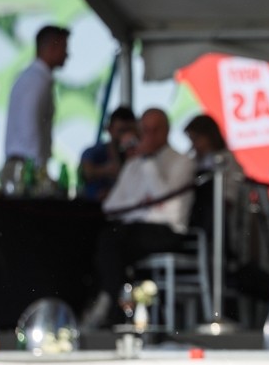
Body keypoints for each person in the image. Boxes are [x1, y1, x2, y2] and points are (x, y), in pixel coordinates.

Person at [80, 108, 196, 328]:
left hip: (167, 231)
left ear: (166, 131)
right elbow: (111, 206)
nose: (149, 136)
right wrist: (142, 205)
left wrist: (148, 162)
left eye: (155, 130)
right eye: (145, 130)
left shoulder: (181, 162)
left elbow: (167, 207)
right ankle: (109, 302)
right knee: (100, 237)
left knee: (113, 240)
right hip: (132, 229)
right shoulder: (133, 165)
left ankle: (110, 305)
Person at [2, 24, 70, 183]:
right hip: (26, 169)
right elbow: (29, 127)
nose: (67, 54)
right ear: (52, 47)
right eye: (64, 48)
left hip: (23, 165)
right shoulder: (37, 81)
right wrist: (39, 173)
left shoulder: (33, 78)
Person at [182, 112, 248, 254]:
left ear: (209, 136)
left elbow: (231, 194)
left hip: (217, 214)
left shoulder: (226, 159)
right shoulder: (192, 161)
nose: (194, 145)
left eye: (197, 139)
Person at [78, 106, 139, 201]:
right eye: (121, 130)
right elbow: (86, 172)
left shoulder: (139, 154)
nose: (126, 135)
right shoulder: (94, 152)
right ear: (110, 129)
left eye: (130, 130)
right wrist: (105, 170)